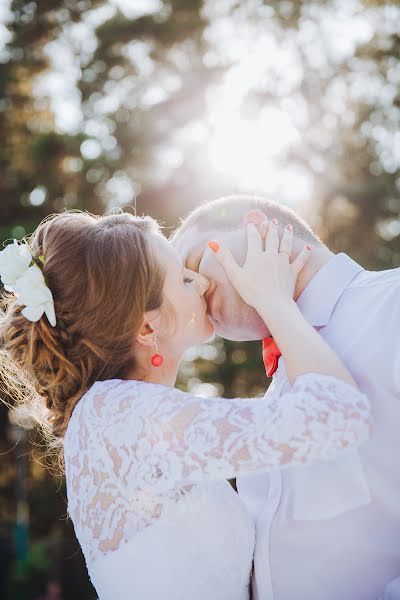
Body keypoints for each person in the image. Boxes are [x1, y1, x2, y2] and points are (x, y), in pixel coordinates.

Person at [0, 209, 370, 600]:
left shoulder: (120, 414)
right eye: (183, 276)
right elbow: (340, 418)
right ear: (147, 327)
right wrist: (275, 301)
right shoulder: (117, 414)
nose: (202, 281)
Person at [172, 193, 400, 600]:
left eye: (191, 265)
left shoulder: (392, 302)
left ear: (258, 226)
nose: (194, 292)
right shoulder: (274, 400)